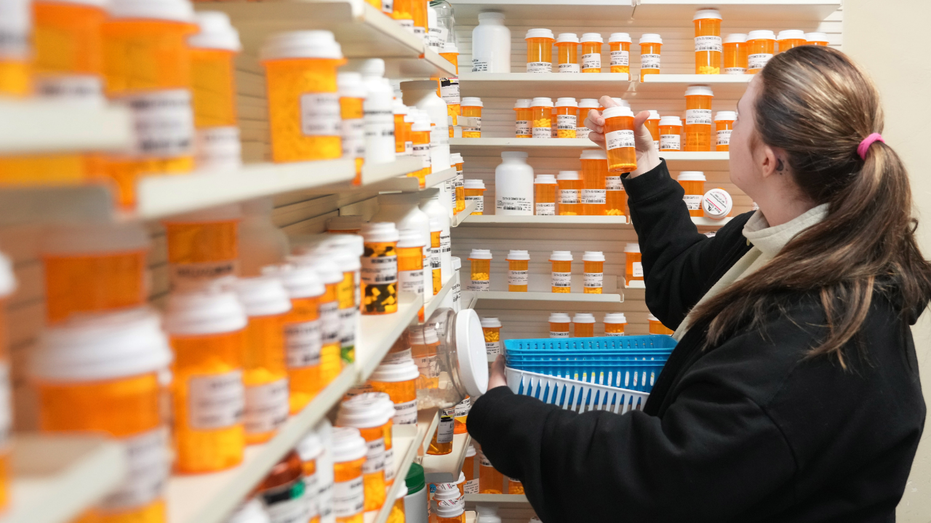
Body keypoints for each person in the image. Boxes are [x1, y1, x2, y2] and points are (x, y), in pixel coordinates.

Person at [467, 46, 931, 522]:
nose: (730, 130)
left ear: (769, 160)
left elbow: (650, 480)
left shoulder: (812, 334)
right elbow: (681, 284)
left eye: (736, 117)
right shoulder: (782, 240)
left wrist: (501, 411)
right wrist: (643, 165)